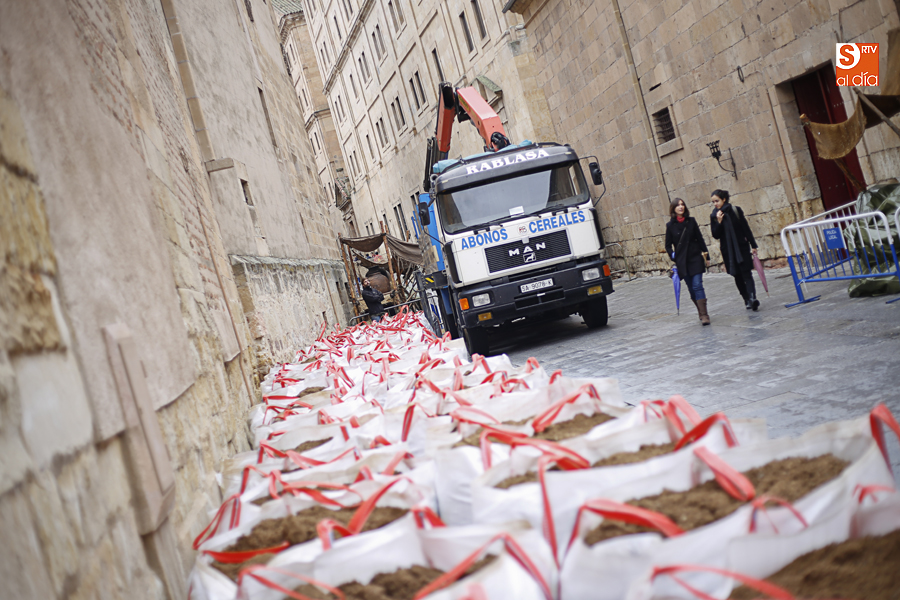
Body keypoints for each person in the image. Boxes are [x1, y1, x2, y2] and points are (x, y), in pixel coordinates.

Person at [709, 189, 760, 311]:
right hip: (728, 251)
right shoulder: (714, 216)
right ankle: (746, 299)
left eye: (717, 201)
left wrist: (753, 245)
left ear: (724, 199)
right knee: (737, 276)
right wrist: (719, 222)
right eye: (713, 202)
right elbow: (715, 235)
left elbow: (745, 228)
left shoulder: (735, 211)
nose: (715, 204)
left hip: (741, 247)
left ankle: (753, 298)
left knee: (747, 273)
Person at [665, 198, 711, 325]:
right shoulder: (670, 226)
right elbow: (668, 245)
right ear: (673, 208)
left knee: (697, 285)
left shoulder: (691, 221)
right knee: (691, 288)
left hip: (695, 257)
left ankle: (705, 315)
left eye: (682, 204)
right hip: (682, 262)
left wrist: (706, 255)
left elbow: (699, 238)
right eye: (678, 205)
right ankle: (700, 312)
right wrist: (673, 255)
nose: (681, 207)